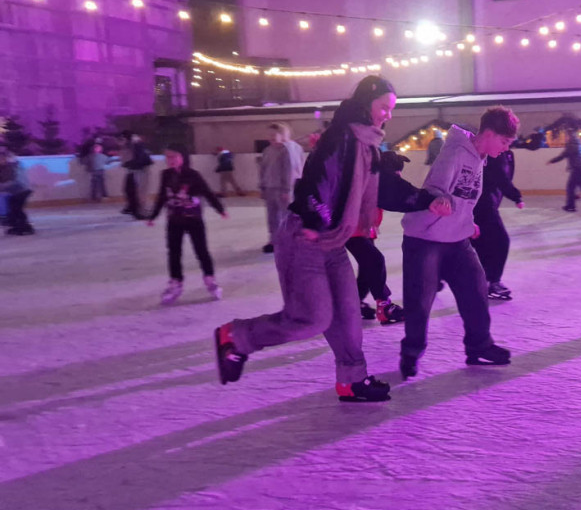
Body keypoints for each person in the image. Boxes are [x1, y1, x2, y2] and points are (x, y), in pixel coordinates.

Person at [214, 76, 450, 403]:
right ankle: (236, 337)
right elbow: (317, 179)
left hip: (333, 241)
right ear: (367, 104)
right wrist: (315, 219)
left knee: (349, 314)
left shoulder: (367, 144)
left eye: (391, 109)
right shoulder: (341, 137)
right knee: (311, 318)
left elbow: (384, 189)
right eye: (385, 107)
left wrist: (427, 201)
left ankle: (352, 381)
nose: (388, 115)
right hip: (305, 236)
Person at [398, 106, 520, 380]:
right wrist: (437, 202)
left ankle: (479, 346)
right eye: (504, 142)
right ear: (488, 134)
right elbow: (434, 189)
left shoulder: (479, 157)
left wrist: (466, 221)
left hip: (456, 238)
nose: (505, 149)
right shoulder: (454, 152)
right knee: (420, 301)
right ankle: (411, 351)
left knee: (476, 290)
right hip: (425, 239)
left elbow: (464, 197)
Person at [147, 144, 227, 304]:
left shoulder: (193, 175)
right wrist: (153, 216)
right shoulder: (165, 175)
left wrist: (220, 209)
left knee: (201, 250)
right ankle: (176, 281)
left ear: (182, 157)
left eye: (174, 156)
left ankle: (210, 279)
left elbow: (207, 192)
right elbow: (162, 196)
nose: (170, 160)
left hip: (193, 219)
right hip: (174, 219)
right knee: (173, 252)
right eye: (168, 157)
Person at [347, 149, 413, 326]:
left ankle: (354, 304)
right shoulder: (374, 180)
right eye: (396, 172)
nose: (398, 176)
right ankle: (384, 306)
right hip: (353, 229)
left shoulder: (377, 179)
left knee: (368, 268)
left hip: (364, 228)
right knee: (375, 261)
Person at [472, 147, 524, 300]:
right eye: (505, 139)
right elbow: (501, 177)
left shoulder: (508, 154)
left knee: (478, 243)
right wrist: (516, 196)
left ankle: (488, 281)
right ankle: (493, 282)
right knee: (501, 241)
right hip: (482, 203)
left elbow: (505, 178)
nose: (508, 142)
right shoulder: (494, 152)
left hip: (489, 202)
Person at [258, 122, 303, 253]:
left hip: (283, 189)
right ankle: (274, 240)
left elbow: (291, 171)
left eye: (273, 134)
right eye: (269, 135)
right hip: (270, 187)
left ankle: (289, 240)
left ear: (283, 134)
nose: (270, 137)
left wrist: (287, 190)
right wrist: (262, 187)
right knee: (272, 216)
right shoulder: (268, 150)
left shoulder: (289, 149)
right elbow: (263, 169)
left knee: (286, 216)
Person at [0, 148, 34, 235]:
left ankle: (23, 226)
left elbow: (11, 180)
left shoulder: (10, 167)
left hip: (22, 190)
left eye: (2, 158)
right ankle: (20, 226)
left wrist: (2, 186)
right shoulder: (4, 167)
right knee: (14, 208)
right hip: (16, 191)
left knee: (16, 209)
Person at [121, 133, 153, 219]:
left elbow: (139, 158)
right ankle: (134, 208)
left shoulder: (136, 145)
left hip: (141, 170)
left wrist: (129, 163)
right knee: (131, 190)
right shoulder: (132, 145)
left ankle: (141, 211)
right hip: (136, 170)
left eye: (122, 139)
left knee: (140, 192)